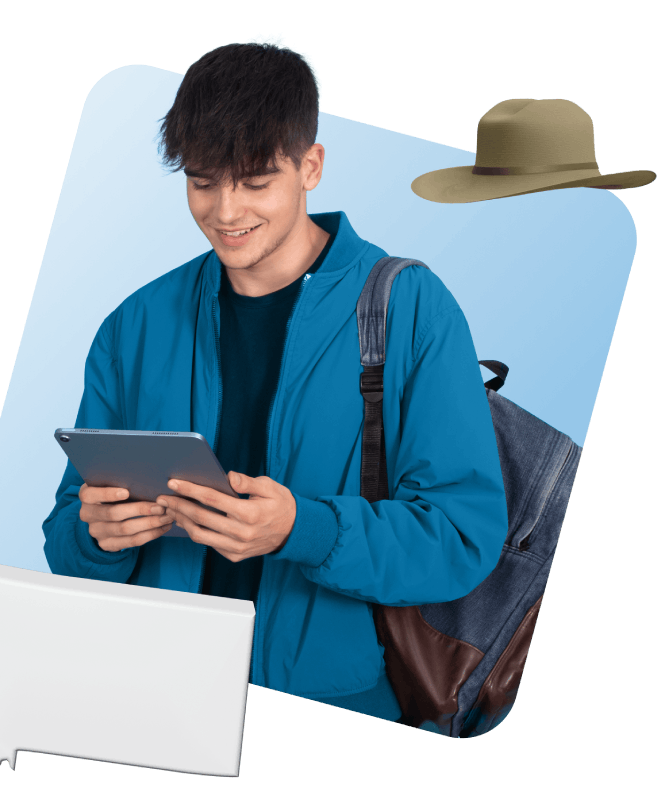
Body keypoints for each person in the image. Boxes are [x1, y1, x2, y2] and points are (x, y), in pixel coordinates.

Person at [42, 35, 508, 723]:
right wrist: (97, 536)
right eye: (203, 181)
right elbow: (64, 535)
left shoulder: (410, 308)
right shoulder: (133, 324)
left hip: (336, 693)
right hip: (154, 695)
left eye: (256, 180)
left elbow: (463, 535)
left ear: (310, 165)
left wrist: (302, 529)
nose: (225, 212)